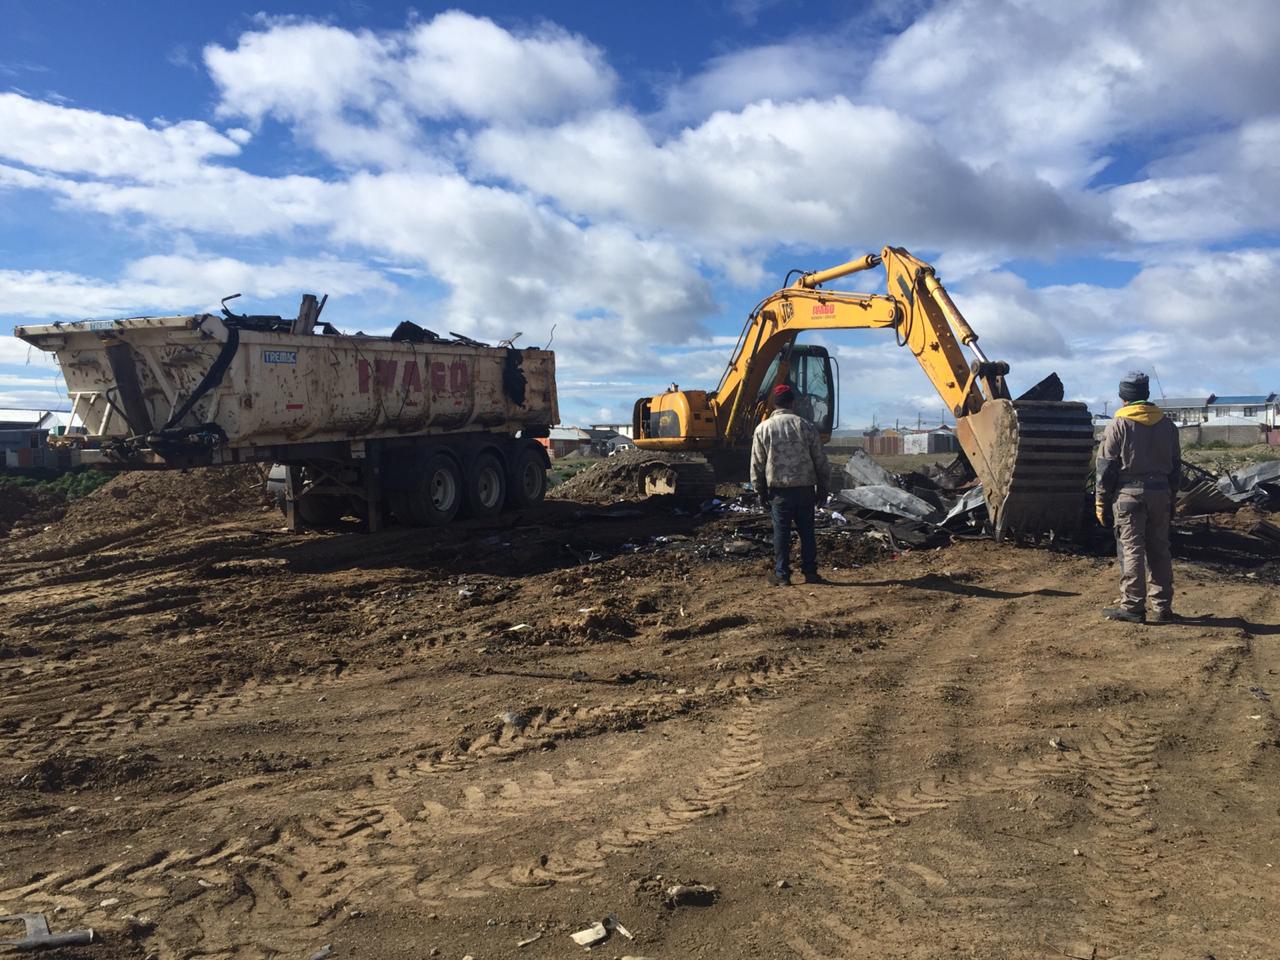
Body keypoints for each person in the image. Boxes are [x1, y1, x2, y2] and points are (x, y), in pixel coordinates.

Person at [1095, 371, 1181, 623]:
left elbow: (1106, 469)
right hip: (1161, 495)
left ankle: (1133, 606)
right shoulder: (1167, 425)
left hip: (1128, 496)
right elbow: (1176, 467)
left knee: (1132, 549)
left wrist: (1101, 501)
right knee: (1160, 550)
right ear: (1146, 394)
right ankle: (1163, 607)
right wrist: (1171, 497)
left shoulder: (1118, 425)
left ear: (1123, 397)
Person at [751, 383, 830, 586]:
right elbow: (820, 459)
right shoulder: (806, 426)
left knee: (781, 533)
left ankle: (782, 575)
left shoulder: (763, 428)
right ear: (792, 402)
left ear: (774, 404)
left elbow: (757, 464)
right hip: (805, 490)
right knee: (807, 532)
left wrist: (759, 491)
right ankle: (810, 573)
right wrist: (823, 488)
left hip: (779, 492)